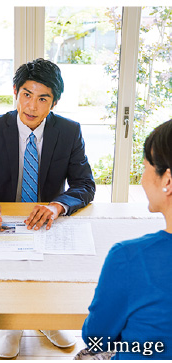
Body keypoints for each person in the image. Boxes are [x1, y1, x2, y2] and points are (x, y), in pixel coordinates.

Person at [0, 58, 95, 358]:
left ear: (54, 102)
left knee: (49, 269)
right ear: (15, 92)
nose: (32, 106)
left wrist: (58, 206)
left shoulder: (69, 132)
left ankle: (44, 317)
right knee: (11, 269)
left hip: (49, 220)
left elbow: (85, 185)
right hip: (4, 221)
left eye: (42, 98)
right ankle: (14, 324)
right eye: (26, 94)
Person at [75, 119, 172, 360]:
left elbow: (96, 338)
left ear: (167, 181)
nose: (141, 177)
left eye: (145, 166)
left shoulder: (130, 258)